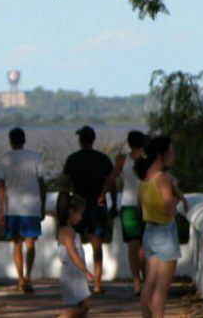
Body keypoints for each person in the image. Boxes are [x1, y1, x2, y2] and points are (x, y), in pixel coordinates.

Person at [135, 135, 189, 318]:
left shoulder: (144, 178)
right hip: (165, 233)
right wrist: (177, 195)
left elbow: (139, 204)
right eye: (170, 152)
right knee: (161, 289)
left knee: (149, 284)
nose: (173, 156)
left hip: (149, 232)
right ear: (160, 155)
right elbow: (170, 210)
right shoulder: (162, 178)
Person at [60, 125, 114, 294]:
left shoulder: (73, 159)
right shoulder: (103, 159)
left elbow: (65, 186)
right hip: (98, 206)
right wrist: (112, 203)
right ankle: (97, 283)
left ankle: (78, 280)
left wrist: (64, 208)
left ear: (81, 140)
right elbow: (112, 183)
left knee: (75, 245)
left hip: (78, 207)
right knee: (97, 245)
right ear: (93, 140)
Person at [0, 127, 47, 293]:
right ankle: (28, 276)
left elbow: (1, 186)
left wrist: (1, 209)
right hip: (32, 207)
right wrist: (43, 205)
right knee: (30, 245)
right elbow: (42, 183)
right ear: (24, 140)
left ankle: (20, 279)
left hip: (12, 208)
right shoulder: (35, 157)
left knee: (16, 245)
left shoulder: (5, 159)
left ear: (10, 141)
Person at [97, 130, 147, 295]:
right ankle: (147, 281)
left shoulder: (123, 159)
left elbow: (111, 178)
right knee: (144, 246)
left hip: (129, 205)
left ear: (129, 143)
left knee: (133, 246)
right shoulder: (149, 159)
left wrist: (103, 195)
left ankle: (137, 283)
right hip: (147, 205)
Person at [56, 193, 94, 318]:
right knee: (84, 307)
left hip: (76, 274)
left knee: (83, 307)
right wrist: (86, 271)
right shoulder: (67, 233)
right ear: (71, 212)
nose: (81, 218)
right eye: (80, 214)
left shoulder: (69, 230)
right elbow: (73, 254)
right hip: (72, 274)